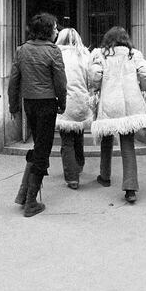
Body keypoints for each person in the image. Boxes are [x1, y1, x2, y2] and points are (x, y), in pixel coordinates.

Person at [90, 26, 146, 204]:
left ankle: (105, 176)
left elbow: (95, 75)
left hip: (110, 102)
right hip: (129, 103)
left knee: (106, 136)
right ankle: (130, 188)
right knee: (127, 144)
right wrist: (143, 88)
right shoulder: (133, 54)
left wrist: (97, 89)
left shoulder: (102, 54)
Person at [9, 13, 67, 217]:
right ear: (46, 31)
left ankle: (24, 194)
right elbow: (60, 81)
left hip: (29, 104)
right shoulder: (53, 51)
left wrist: (13, 105)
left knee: (38, 146)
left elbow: (14, 80)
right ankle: (31, 201)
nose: (57, 31)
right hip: (47, 104)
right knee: (43, 150)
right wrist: (62, 102)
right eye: (55, 28)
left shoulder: (22, 50)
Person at [54, 28, 92, 190]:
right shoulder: (85, 55)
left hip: (64, 102)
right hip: (82, 101)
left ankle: (72, 177)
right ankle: (79, 163)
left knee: (66, 141)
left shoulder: (56, 54)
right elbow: (91, 79)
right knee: (79, 136)